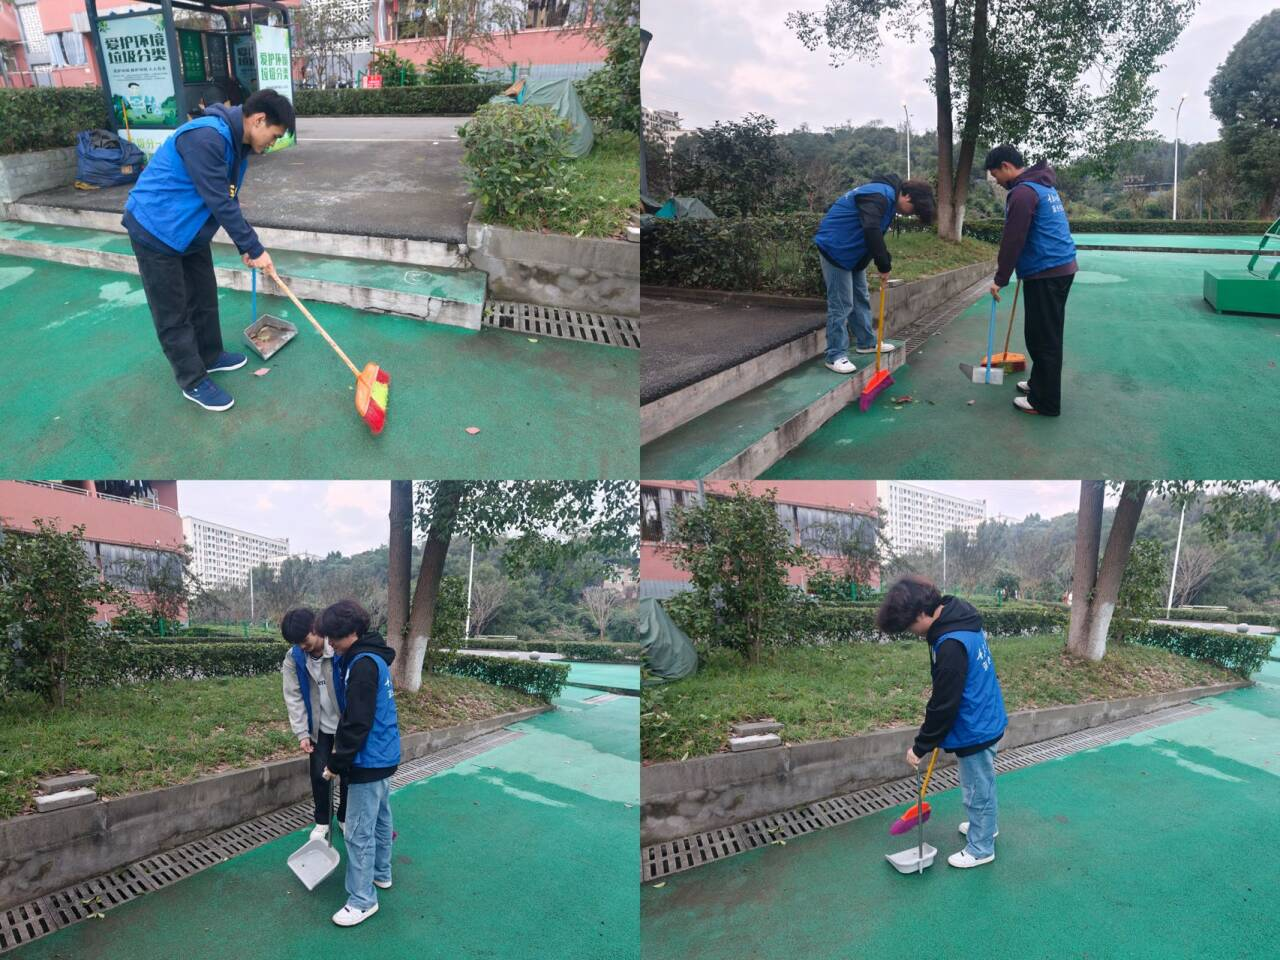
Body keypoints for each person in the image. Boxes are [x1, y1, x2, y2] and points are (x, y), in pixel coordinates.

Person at [123, 88, 295, 412]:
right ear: (258, 120)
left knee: (203, 296)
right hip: (156, 227)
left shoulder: (238, 146)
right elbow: (219, 201)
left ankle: (210, 355)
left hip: (189, 230)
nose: (272, 144)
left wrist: (245, 247)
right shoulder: (205, 137)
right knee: (172, 312)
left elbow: (228, 197)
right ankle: (192, 380)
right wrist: (254, 246)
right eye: (274, 136)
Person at [877, 575, 1007, 869]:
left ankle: (981, 848)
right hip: (984, 714)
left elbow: (944, 704)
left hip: (975, 725)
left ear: (921, 614)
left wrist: (921, 745)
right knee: (981, 783)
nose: (913, 633)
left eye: (910, 626)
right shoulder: (959, 617)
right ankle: (986, 827)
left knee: (977, 789)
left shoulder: (950, 643)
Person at [315, 599, 401, 927]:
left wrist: (336, 763)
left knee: (358, 831)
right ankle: (381, 872)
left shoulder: (362, 665)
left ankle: (362, 900)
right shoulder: (371, 656)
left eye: (334, 637)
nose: (330, 643)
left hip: (369, 757)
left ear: (351, 632)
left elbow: (356, 722)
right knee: (380, 817)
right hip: (384, 752)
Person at [983, 144, 1078, 417]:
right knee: (1041, 334)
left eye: (995, 175)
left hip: (1048, 271)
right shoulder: (1042, 186)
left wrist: (1001, 278)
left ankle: (1045, 402)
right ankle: (1039, 384)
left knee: (1043, 338)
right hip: (1055, 268)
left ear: (1006, 166)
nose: (997, 181)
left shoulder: (1023, 192)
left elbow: (1013, 238)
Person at [813, 174, 936, 375]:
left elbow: (874, 233)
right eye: (914, 210)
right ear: (907, 196)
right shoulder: (879, 195)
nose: (911, 214)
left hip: (853, 252)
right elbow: (871, 229)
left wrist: (883, 260)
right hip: (835, 248)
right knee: (842, 304)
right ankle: (835, 355)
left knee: (860, 297)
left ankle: (866, 343)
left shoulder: (888, 198)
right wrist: (883, 264)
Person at [279, 607, 348, 840]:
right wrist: (301, 732)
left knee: (348, 773)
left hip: (345, 724)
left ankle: (345, 816)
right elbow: (293, 696)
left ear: (315, 628)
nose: (302, 646)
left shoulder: (338, 648)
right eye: (296, 642)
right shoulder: (294, 658)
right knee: (319, 774)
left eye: (304, 639)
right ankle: (322, 820)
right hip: (319, 727)